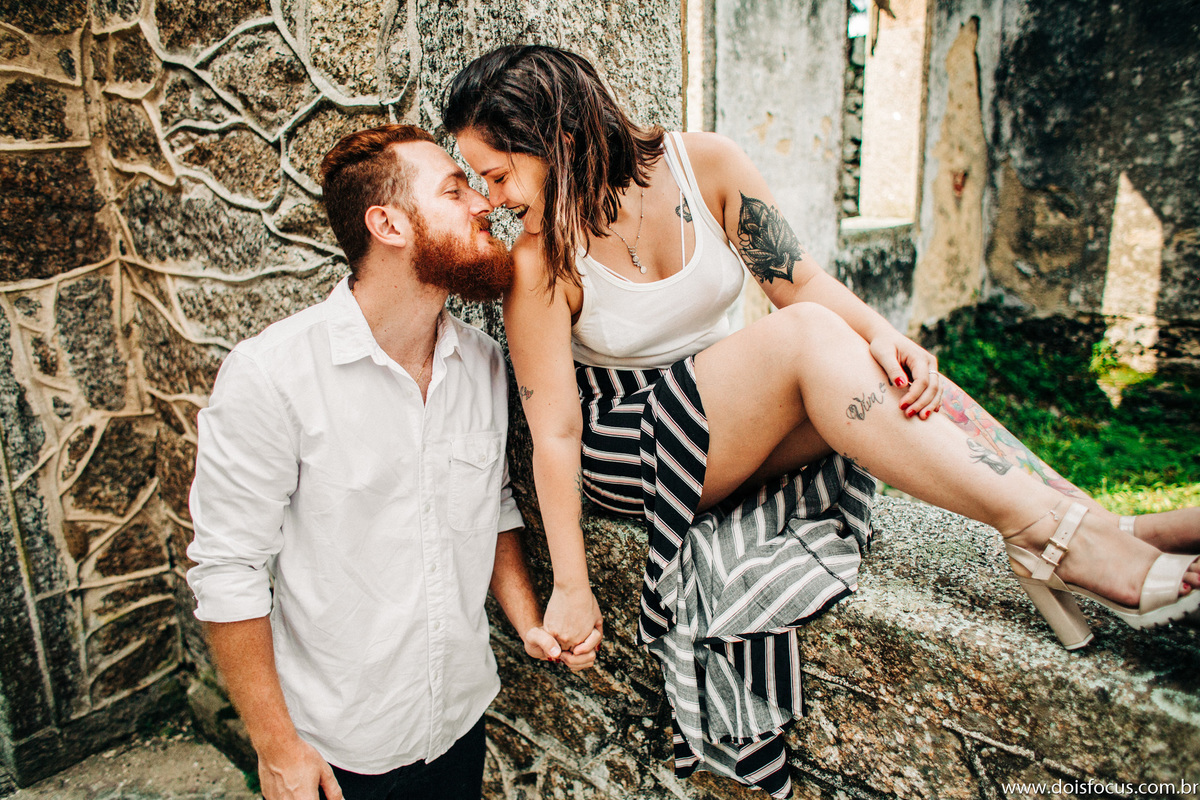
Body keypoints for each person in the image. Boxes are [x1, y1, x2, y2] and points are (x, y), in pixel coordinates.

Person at [440, 45, 1200, 796]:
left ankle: (1093, 530)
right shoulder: (540, 263)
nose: (494, 197)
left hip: (729, 406)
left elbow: (798, 282)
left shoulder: (705, 165)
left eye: (499, 174)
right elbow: (557, 433)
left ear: (559, 141)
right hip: (632, 445)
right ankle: (1059, 542)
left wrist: (891, 338)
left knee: (886, 370)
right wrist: (571, 584)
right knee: (811, 339)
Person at [186, 123, 599, 800]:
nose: (482, 205)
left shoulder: (486, 365)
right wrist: (277, 747)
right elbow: (228, 572)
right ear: (389, 224)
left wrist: (527, 621)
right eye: (454, 189)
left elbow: (489, 509)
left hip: (460, 721)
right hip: (338, 751)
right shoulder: (271, 376)